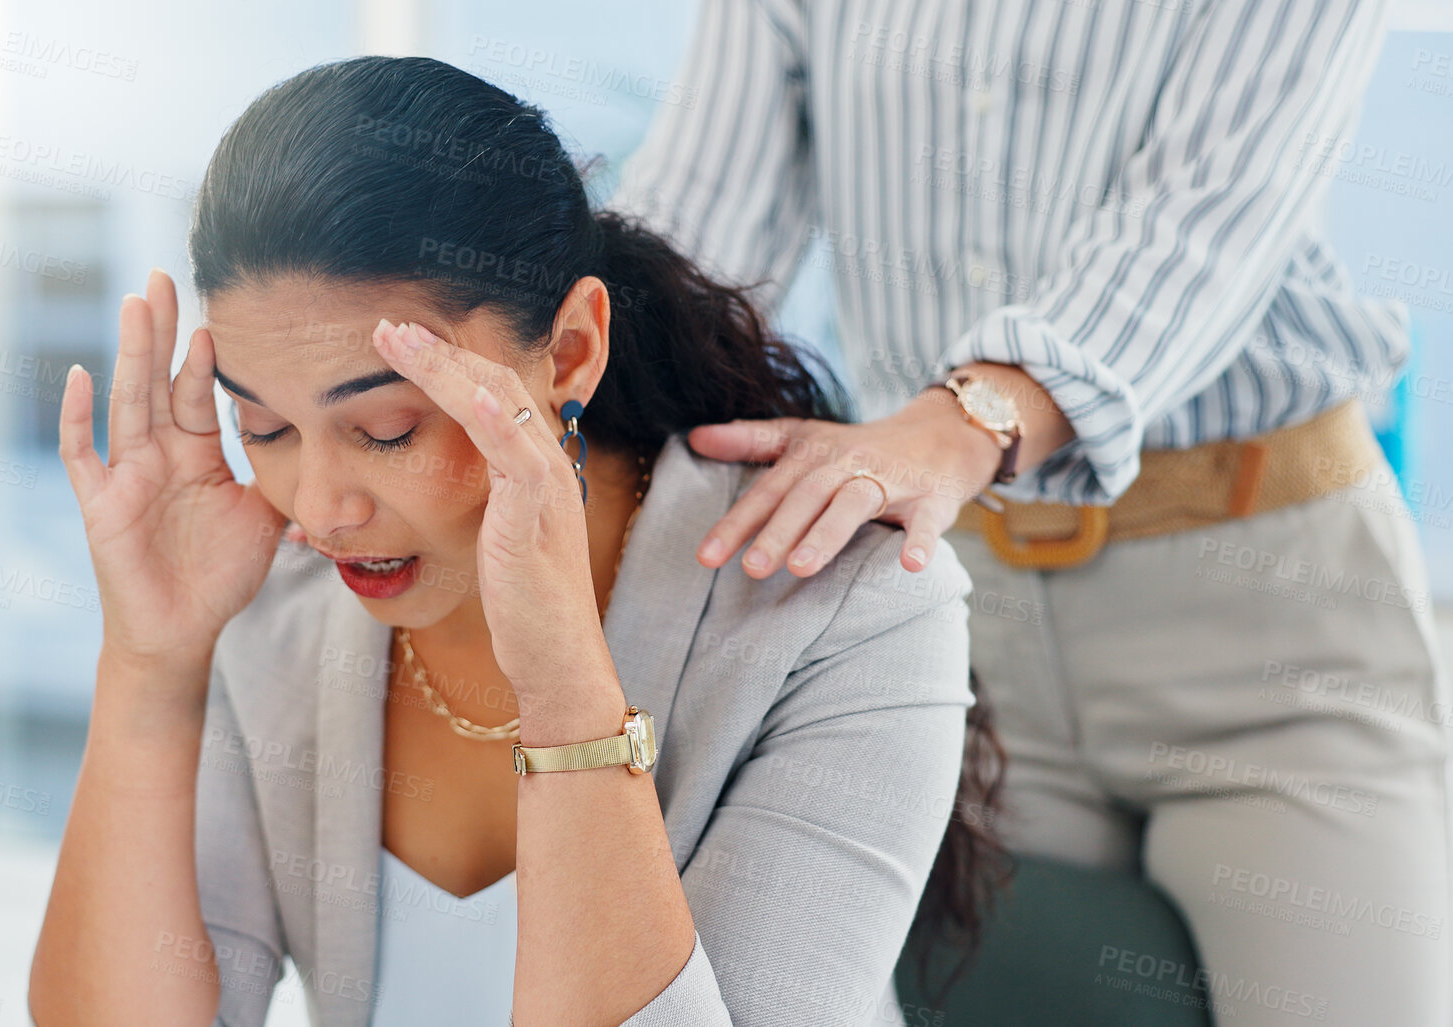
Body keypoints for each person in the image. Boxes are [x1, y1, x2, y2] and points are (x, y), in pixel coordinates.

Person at [28, 56, 998, 1027]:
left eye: (388, 428)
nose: (318, 509)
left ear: (571, 350)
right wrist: (151, 663)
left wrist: (565, 684)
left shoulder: (850, 605)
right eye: (265, 431)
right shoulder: (272, 596)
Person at [608, 0, 1451, 1022]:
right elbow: (690, 229)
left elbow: (1203, 216)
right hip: (962, 616)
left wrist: (955, 424)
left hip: (1268, 621)